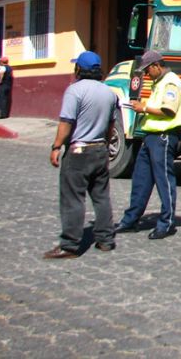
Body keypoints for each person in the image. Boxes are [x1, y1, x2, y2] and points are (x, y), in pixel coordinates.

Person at [43, 51, 118, 259]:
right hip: (100, 149)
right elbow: (112, 126)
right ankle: (105, 239)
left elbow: (66, 122)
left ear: (80, 69)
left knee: (72, 198)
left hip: (78, 151)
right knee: (101, 196)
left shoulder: (74, 91)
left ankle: (70, 245)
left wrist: (56, 146)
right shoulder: (109, 93)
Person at [115, 50, 181, 240]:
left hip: (164, 137)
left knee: (164, 180)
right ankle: (130, 220)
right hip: (151, 136)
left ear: (157, 65)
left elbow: (169, 110)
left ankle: (166, 223)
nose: (147, 74)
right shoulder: (159, 82)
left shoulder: (171, 81)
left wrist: (144, 107)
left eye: (148, 70)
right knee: (140, 180)